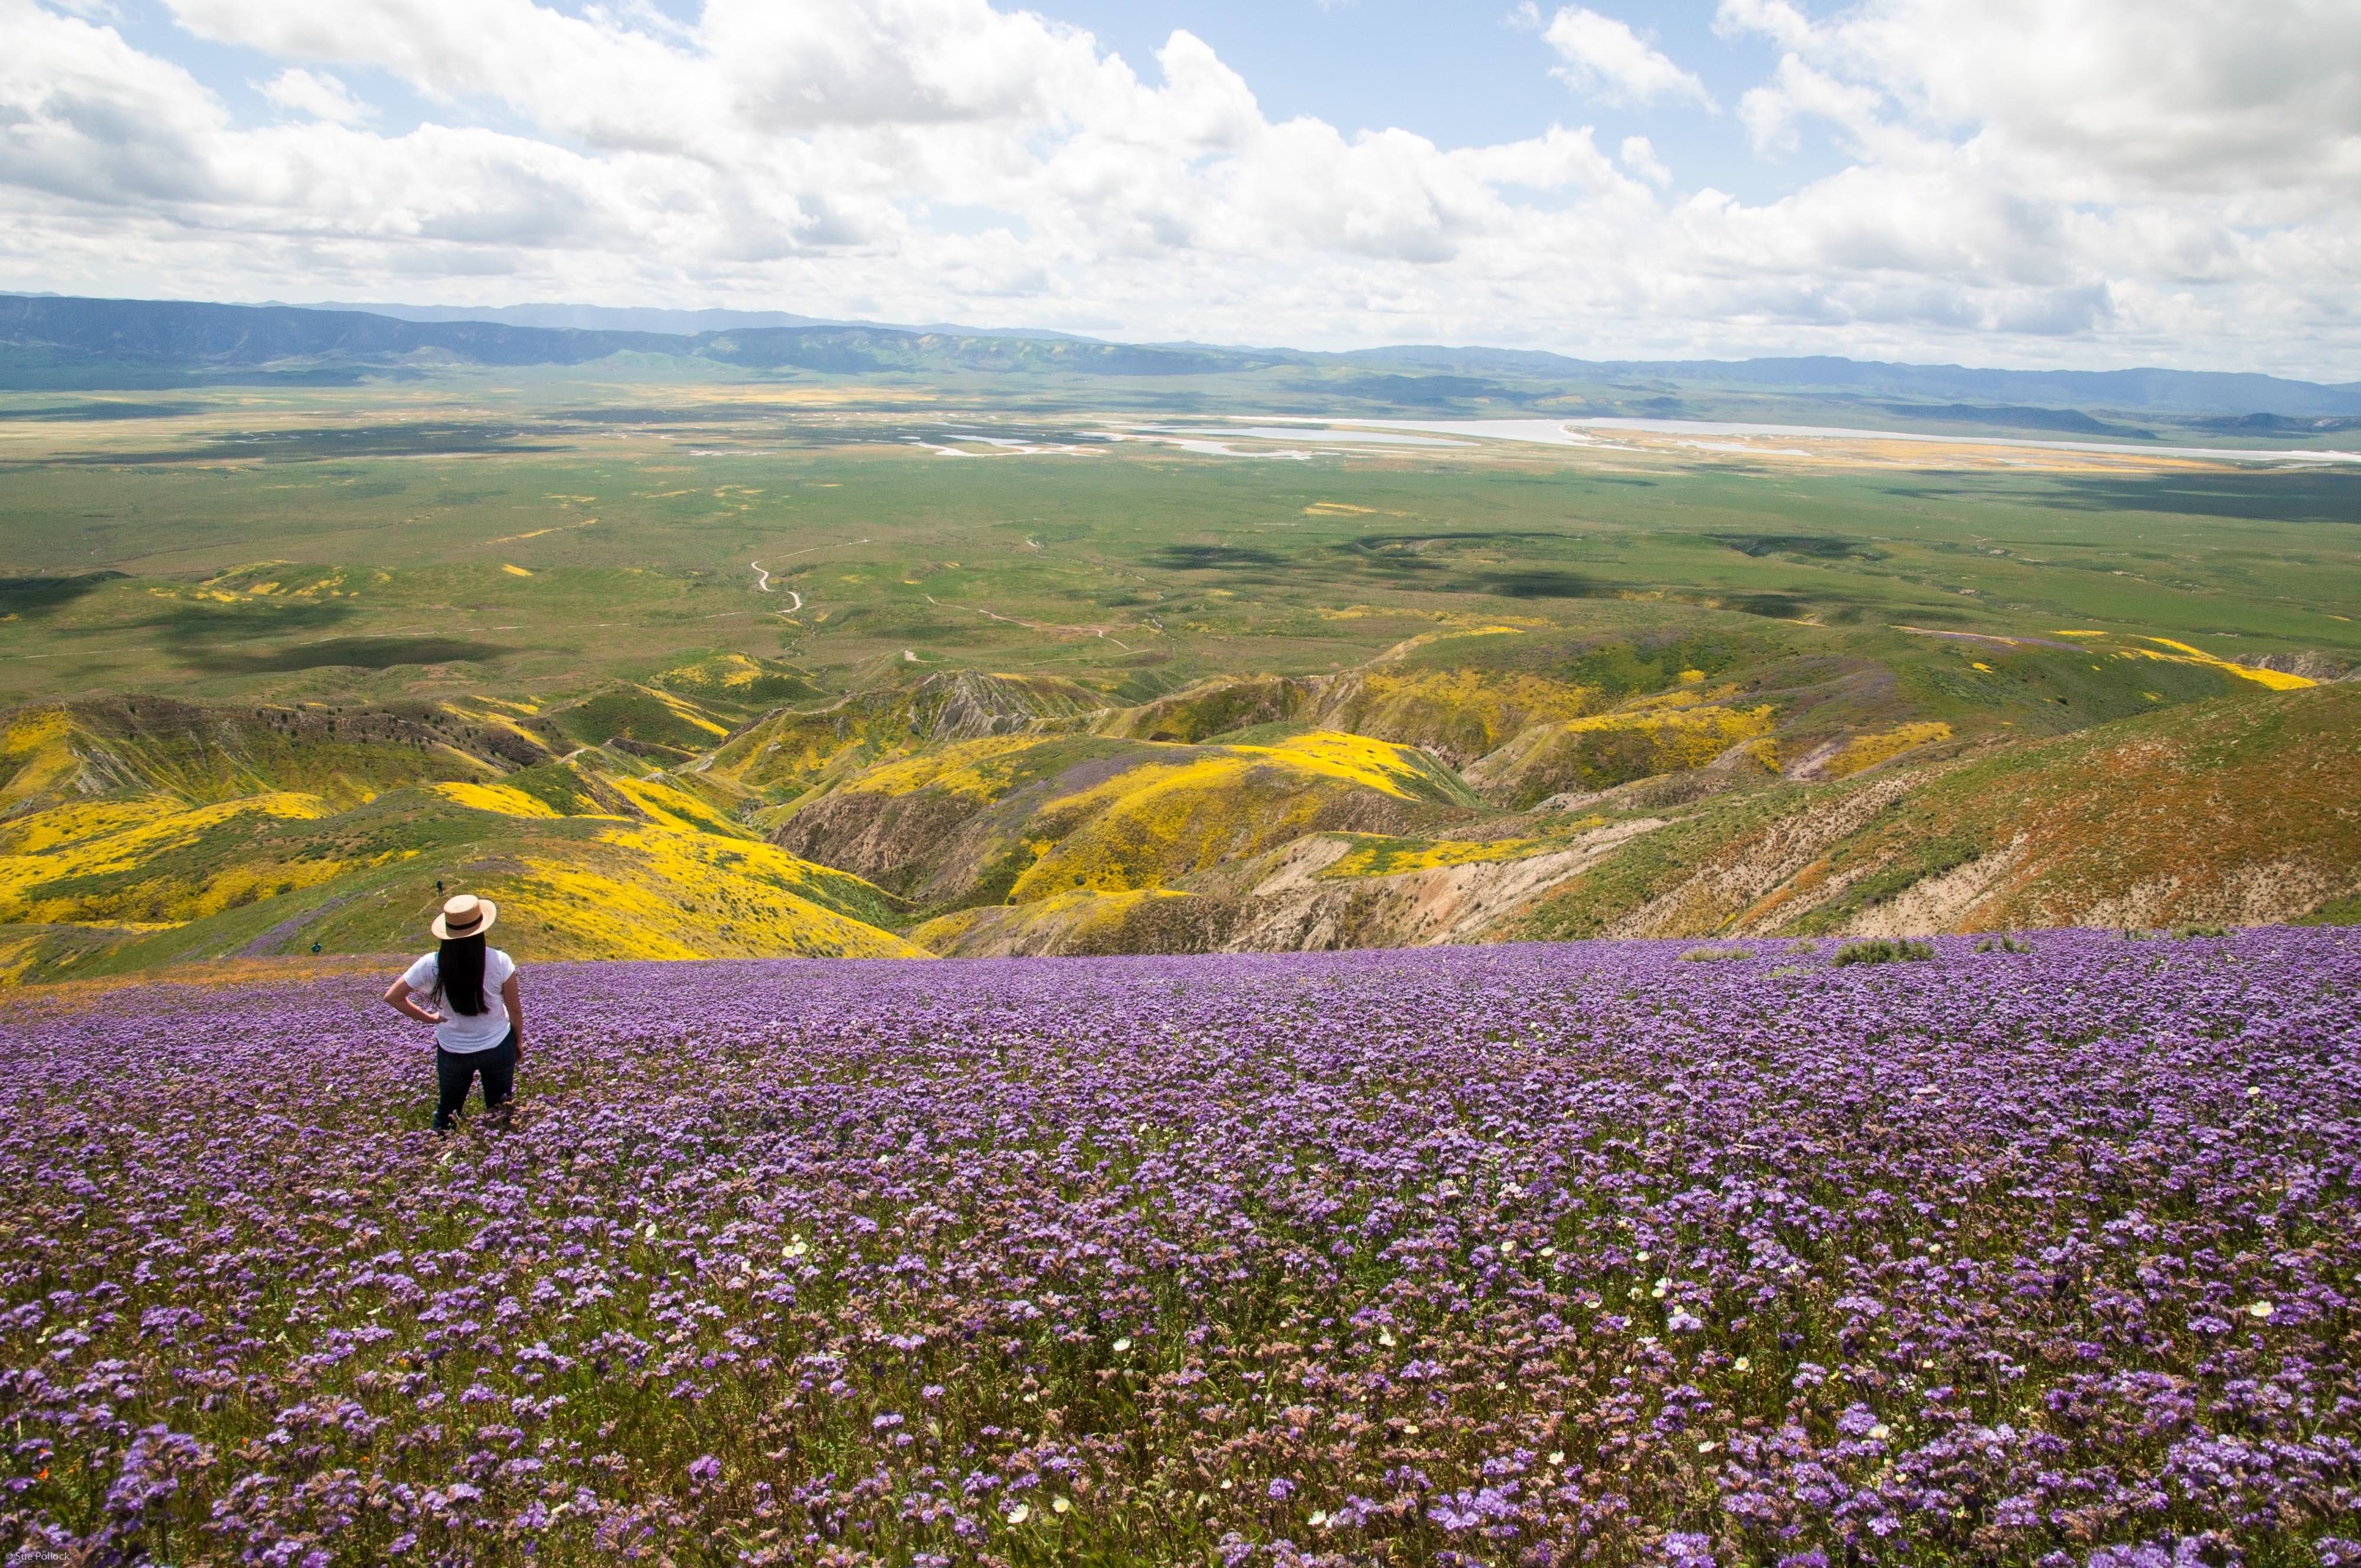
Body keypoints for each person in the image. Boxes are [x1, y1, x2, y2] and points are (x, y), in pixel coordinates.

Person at [384, 893, 525, 1132]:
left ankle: (439, 1157)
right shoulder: (500, 961)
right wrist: (518, 1042)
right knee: (501, 1109)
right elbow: (515, 1010)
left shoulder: (430, 964)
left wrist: (430, 1019)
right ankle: (503, 1156)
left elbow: (393, 997)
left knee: (448, 1111)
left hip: (453, 1051)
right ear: (481, 928)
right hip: (498, 1046)